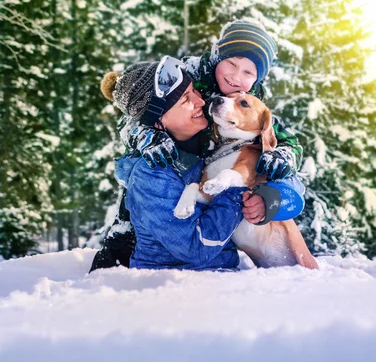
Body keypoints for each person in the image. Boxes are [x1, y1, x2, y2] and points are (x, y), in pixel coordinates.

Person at [90, 20, 304, 271]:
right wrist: (148, 137)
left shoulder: (249, 102)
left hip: (205, 185)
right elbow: (139, 114)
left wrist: (274, 192)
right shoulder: (187, 77)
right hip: (168, 179)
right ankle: (119, 248)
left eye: (249, 73)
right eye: (232, 64)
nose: (236, 78)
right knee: (148, 193)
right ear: (217, 56)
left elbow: (280, 146)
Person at [96, 58, 271, 270]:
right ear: (159, 122)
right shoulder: (152, 173)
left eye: (194, 92)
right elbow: (197, 248)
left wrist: (271, 197)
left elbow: (278, 151)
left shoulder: (202, 148)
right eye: (186, 100)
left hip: (214, 278)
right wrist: (237, 188)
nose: (201, 102)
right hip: (172, 284)